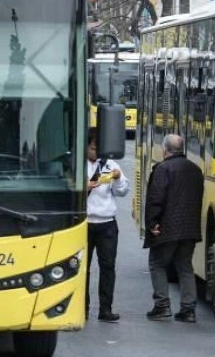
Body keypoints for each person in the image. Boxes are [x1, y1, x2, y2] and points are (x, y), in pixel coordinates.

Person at [144, 134, 204, 323]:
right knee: (185, 266)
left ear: (165, 150)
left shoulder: (163, 168)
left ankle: (162, 305)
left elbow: (156, 198)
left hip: (167, 229)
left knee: (157, 263)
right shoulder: (196, 169)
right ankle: (188, 309)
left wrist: (153, 223)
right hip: (189, 228)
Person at [85, 129, 129, 322]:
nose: (96, 152)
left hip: (107, 224)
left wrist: (118, 178)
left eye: (99, 148)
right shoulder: (76, 165)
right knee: (81, 268)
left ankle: (105, 308)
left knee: (107, 267)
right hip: (84, 224)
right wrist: (83, 186)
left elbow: (123, 191)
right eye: (93, 148)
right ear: (85, 147)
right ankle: (82, 307)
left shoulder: (110, 165)